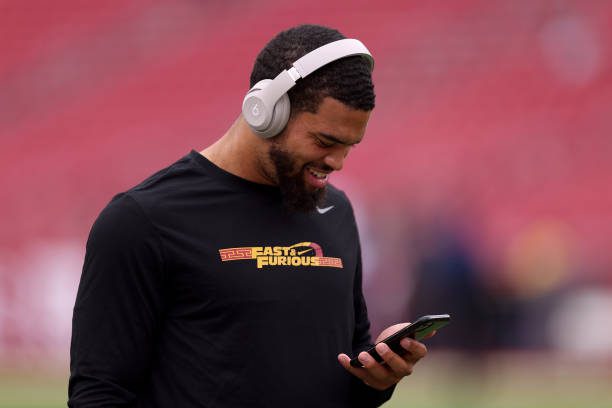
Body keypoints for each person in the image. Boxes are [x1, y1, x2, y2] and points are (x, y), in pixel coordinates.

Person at [69, 24, 430, 407]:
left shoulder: (336, 211)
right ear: (266, 112)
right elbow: (99, 395)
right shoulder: (141, 221)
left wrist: (376, 378)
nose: (337, 163)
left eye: (349, 146)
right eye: (325, 142)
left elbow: (341, 373)